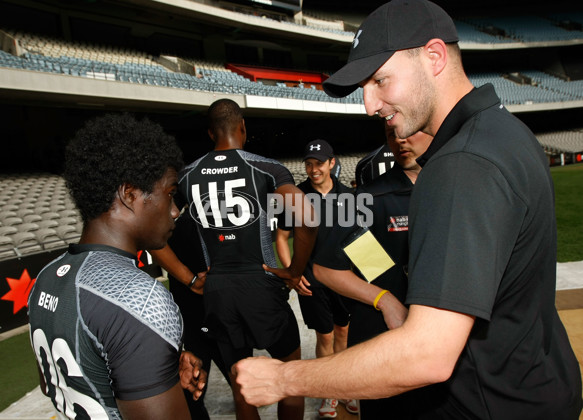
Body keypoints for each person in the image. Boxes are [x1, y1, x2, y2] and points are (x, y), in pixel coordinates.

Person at [233, 1, 583, 419]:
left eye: (380, 80)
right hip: (536, 386)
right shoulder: (505, 130)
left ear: (434, 56)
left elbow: (427, 355)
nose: (369, 105)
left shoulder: (461, 164)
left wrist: (281, 379)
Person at [28, 113, 207, 420]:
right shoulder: (140, 297)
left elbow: (52, 383)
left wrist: (156, 367)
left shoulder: (47, 277)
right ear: (129, 194)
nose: (176, 211)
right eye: (169, 194)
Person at [175, 98, 317, 420]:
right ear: (243, 128)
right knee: (290, 378)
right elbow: (308, 217)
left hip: (217, 292)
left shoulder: (186, 176)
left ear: (211, 133)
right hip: (262, 285)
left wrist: (189, 278)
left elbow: (154, 234)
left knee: (242, 389)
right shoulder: (266, 167)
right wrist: (294, 271)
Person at [311, 126, 433, 419]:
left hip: (440, 340)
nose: (400, 140)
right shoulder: (369, 197)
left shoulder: (453, 186)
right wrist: (385, 299)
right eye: (392, 134)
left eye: (410, 131)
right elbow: (326, 267)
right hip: (385, 338)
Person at [275, 139, 357, 418]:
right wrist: (292, 274)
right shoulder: (296, 198)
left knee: (344, 334)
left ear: (332, 163)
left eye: (318, 163)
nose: (313, 169)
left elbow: (359, 240)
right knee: (325, 337)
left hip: (344, 280)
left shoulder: (349, 196)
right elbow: (281, 238)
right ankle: (329, 393)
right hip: (312, 282)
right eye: (308, 164)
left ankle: (345, 388)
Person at [150, 209, 231, 420]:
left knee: (242, 385)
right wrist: (192, 281)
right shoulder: (173, 221)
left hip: (219, 312)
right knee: (192, 388)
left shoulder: (219, 214)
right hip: (193, 313)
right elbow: (154, 244)